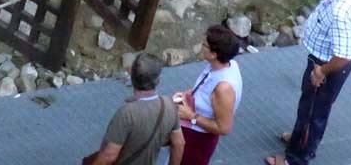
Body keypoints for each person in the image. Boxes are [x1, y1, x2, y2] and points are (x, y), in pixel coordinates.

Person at [266, 0, 351, 165]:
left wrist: (321, 71)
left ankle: (296, 158)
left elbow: (342, 57)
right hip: (324, 57)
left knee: (314, 110)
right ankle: (297, 138)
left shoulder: (341, 13)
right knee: (309, 104)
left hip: (328, 63)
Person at [87, 52, 184, 165]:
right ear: (158, 81)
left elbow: (109, 156)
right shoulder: (169, 105)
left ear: (132, 78)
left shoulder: (126, 114)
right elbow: (179, 144)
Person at [175, 24, 243, 164]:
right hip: (191, 133)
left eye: (204, 45)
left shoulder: (223, 89)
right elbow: (207, 89)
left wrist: (191, 116)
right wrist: (188, 94)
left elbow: (224, 128)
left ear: (214, 54)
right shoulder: (226, 65)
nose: (201, 46)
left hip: (197, 140)